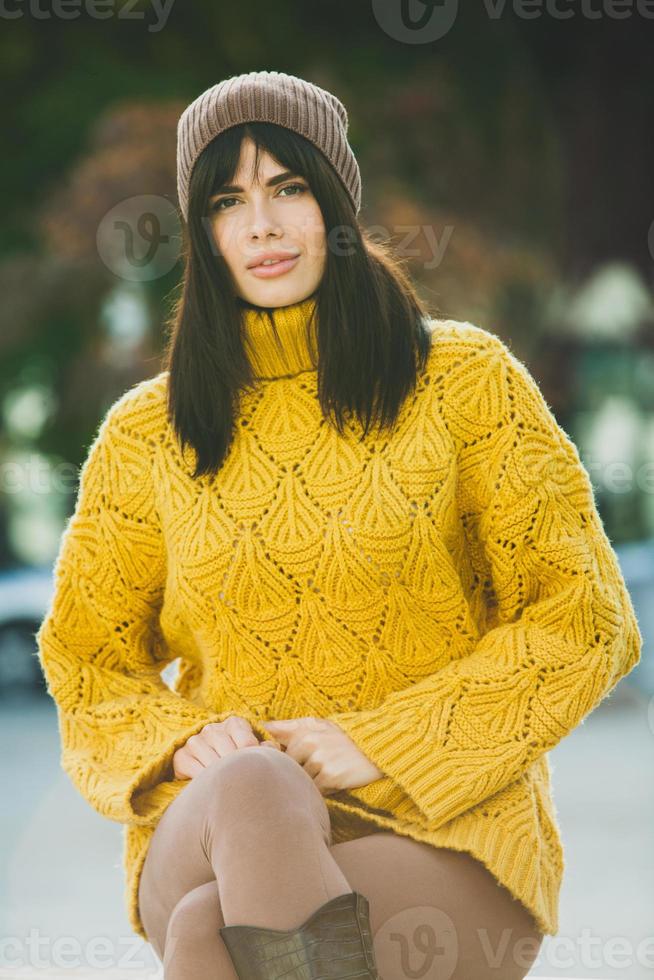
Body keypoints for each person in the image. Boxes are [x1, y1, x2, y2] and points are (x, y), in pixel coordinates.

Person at [36, 70, 642, 980]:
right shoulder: (145, 434)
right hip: (209, 825)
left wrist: (386, 740)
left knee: (212, 936)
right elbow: (86, 663)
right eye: (228, 201)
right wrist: (170, 741)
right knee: (254, 784)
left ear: (338, 203)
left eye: (290, 188)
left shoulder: (465, 384)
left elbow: (584, 620)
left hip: (449, 836)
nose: (264, 227)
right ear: (202, 229)